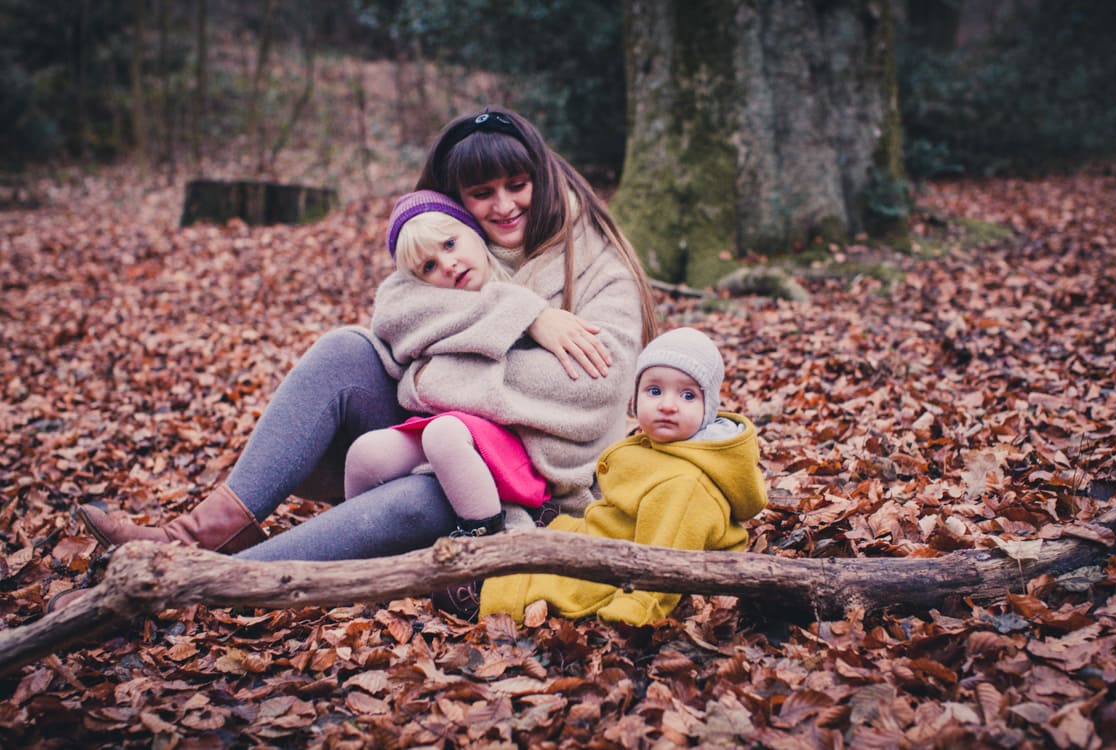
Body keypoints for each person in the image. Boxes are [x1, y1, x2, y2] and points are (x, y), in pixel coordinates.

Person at [67, 105, 656, 579]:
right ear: (457, 201)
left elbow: (596, 387)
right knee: (344, 350)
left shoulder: (597, 262)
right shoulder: (453, 245)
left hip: (530, 481)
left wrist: (435, 378)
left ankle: (205, 580)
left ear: (540, 179)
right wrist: (526, 317)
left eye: (517, 185)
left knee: (425, 498)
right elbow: (394, 312)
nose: (503, 206)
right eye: (482, 193)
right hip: (432, 434)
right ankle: (198, 534)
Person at [479, 327, 769, 628]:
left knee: (544, 583)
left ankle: (484, 593)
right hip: (616, 534)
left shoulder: (684, 486)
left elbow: (664, 561)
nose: (667, 405)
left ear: (708, 409)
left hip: (633, 564)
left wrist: (632, 613)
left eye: (687, 395)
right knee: (552, 534)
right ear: (635, 397)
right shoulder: (665, 448)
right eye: (654, 391)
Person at [344, 189, 551, 538]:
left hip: (513, 442)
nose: (447, 264)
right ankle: (358, 539)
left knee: (444, 434)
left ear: (473, 230)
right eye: (429, 266)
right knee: (366, 453)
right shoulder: (434, 315)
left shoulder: (521, 291)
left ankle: (484, 537)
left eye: (450, 244)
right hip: (449, 424)